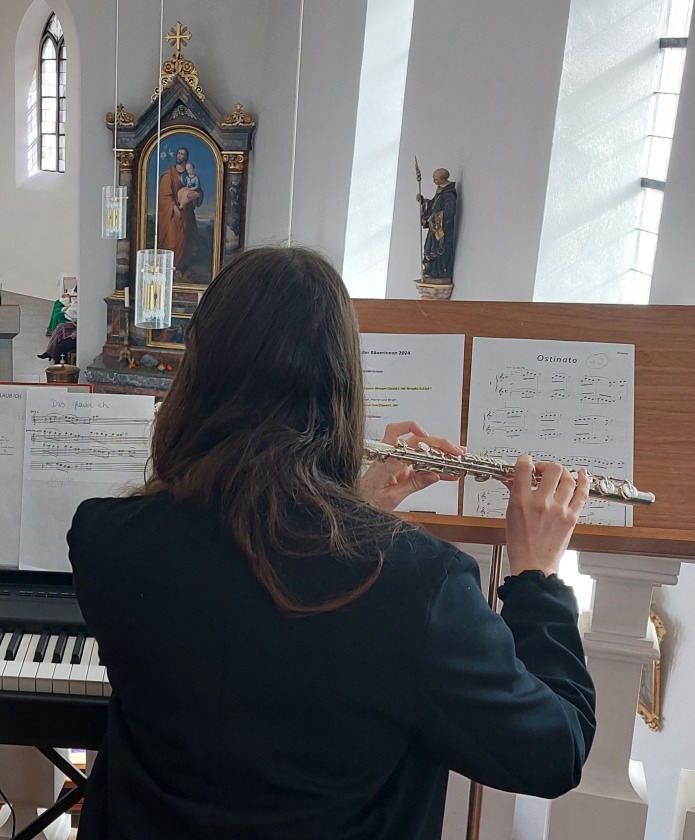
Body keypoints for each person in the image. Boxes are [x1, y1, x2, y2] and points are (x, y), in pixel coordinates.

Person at [68, 245, 595, 840]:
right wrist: (537, 577)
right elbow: (555, 750)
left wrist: (353, 511)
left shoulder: (105, 539)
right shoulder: (421, 584)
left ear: (196, 376)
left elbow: (243, 626)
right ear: (343, 389)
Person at [157, 147, 201, 272]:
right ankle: (169, 269)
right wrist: (174, 207)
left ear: (186, 157)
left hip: (186, 215)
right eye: (178, 153)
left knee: (185, 240)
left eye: (182, 154)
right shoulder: (169, 175)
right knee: (172, 242)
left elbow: (198, 191)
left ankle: (180, 268)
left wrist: (197, 195)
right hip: (172, 215)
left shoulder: (190, 175)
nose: (180, 155)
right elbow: (164, 196)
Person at [417, 167, 458, 282]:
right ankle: (430, 271)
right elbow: (433, 204)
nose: (434, 181)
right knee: (429, 248)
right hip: (435, 226)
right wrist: (423, 201)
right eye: (433, 178)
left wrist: (435, 217)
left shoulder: (449, 193)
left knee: (439, 250)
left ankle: (440, 274)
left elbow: (450, 211)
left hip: (442, 228)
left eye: (436, 179)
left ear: (443, 179)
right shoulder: (441, 190)